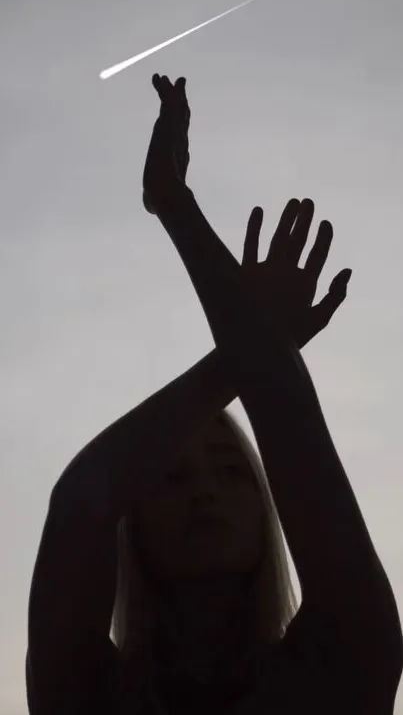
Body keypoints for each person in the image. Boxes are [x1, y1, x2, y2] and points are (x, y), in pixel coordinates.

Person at [26, 74, 403, 715]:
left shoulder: (346, 664)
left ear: (270, 509)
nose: (203, 492)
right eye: (171, 479)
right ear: (134, 524)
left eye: (231, 473)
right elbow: (78, 506)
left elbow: (294, 430)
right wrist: (251, 350)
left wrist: (177, 208)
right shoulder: (87, 691)